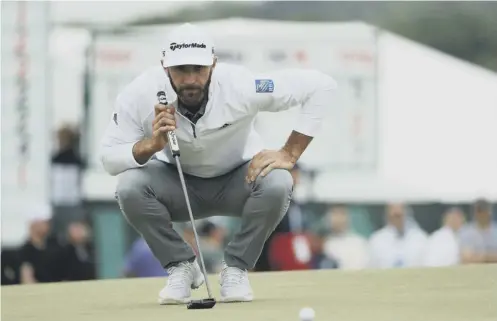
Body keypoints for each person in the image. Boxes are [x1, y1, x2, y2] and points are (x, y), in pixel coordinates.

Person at [100, 23, 336, 304]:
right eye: (180, 70)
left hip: (239, 180)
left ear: (213, 64)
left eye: (198, 69)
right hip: (177, 183)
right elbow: (109, 158)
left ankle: (236, 268)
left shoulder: (242, 86)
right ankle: (181, 267)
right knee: (128, 187)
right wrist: (150, 145)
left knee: (279, 181)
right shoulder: (139, 93)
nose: (190, 79)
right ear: (164, 67)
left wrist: (290, 152)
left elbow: (322, 86)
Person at [368, 203, 428, 269]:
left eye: (399, 215)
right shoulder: (377, 240)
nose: (397, 218)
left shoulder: (420, 239)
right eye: (395, 215)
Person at [322, 205, 369, 270]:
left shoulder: (358, 243)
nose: (337, 219)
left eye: (341, 214)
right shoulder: (325, 243)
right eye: (334, 214)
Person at [459, 199, 497, 264]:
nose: (482, 215)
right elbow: (466, 259)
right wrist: (490, 257)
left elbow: (472, 257)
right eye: (480, 211)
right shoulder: (466, 231)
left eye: (485, 211)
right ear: (475, 213)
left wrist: (479, 256)